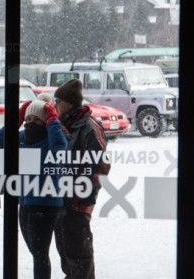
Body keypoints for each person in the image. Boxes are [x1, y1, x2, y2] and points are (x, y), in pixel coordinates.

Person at [52, 79, 109, 279]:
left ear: (69, 102)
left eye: (57, 100)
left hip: (77, 203)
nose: (55, 104)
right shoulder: (62, 126)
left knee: (79, 257)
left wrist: (82, 195)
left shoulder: (88, 127)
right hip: (61, 200)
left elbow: (101, 166)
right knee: (67, 255)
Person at [10, 100, 68, 279]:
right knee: (36, 252)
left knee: (40, 253)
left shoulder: (50, 139)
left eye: (36, 119)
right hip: (25, 201)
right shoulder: (22, 137)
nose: (30, 123)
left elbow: (59, 147)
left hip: (46, 202)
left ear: (45, 122)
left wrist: (53, 121)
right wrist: (16, 120)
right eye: (27, 118)